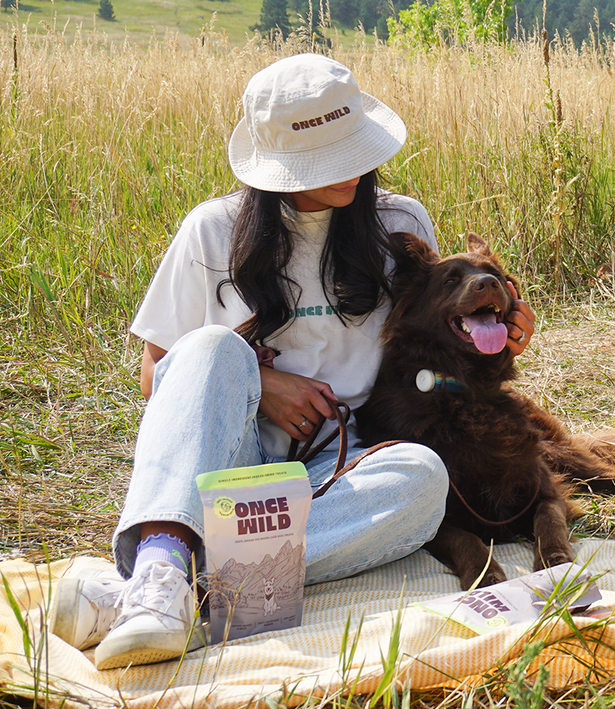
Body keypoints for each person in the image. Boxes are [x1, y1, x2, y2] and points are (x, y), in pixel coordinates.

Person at [48, 54, 536, 670]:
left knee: (422, 479)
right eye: (326, 160)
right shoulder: (211, 232)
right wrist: (261, 383)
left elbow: (438, 340)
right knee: (212, 346)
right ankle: (166, 558)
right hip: (231, 461)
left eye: (353, 150)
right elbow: (160, 377)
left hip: (339, 470)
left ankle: (171, 591)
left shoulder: (399, 224)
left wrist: (499, 336)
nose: (352, 172)